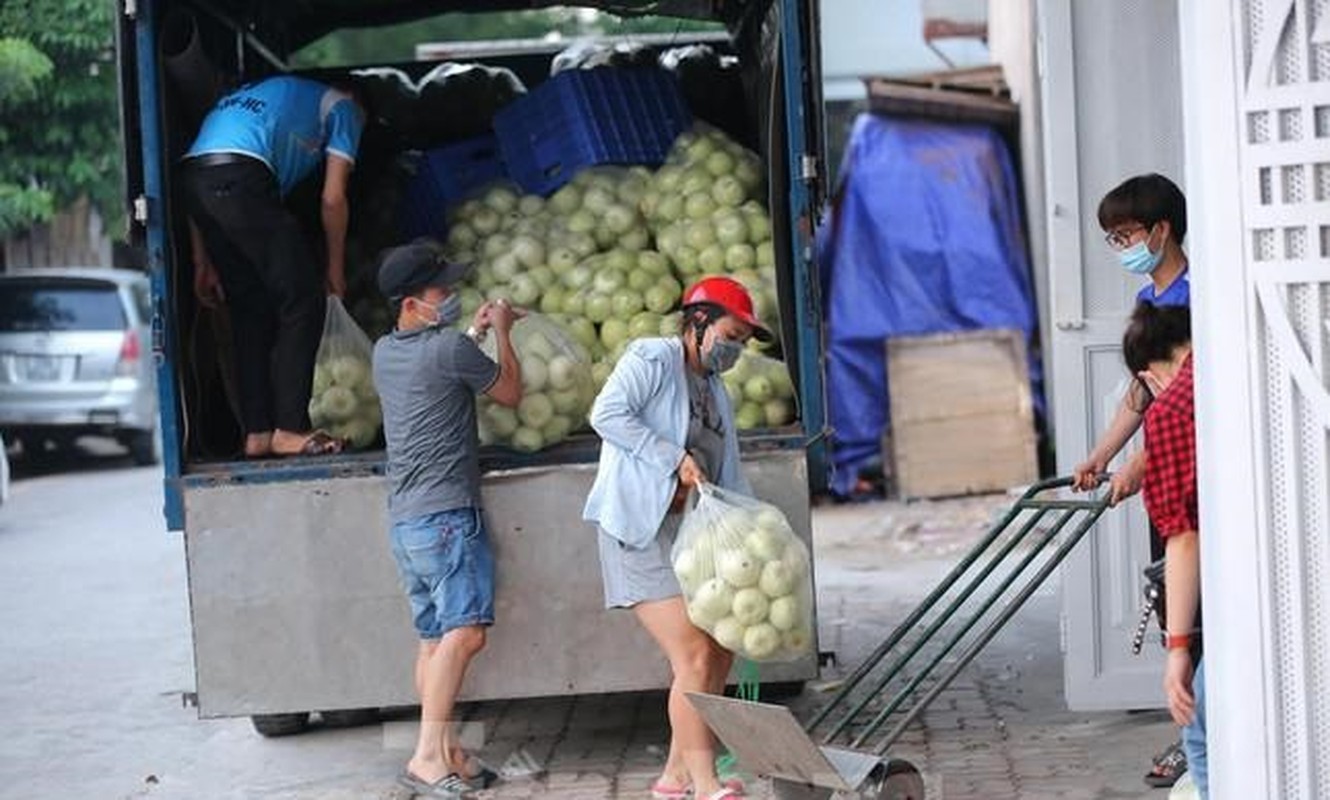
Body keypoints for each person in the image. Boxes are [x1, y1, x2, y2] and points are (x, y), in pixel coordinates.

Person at [583, 276, 772, 800]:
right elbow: (605, 415)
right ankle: (705, 781)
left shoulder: (715, 390)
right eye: (731, 335)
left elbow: (728, 470)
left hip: (688, 535)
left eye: (742, 341)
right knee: (690, 653)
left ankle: (675, 776)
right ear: (699, 322)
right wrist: (672, 457)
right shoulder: (653, 359)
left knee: (717, 650)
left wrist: (754, 530)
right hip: (638, 531)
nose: (735, 349)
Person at [371, 242, 523, 799]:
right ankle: (428, 757)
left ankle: (449, 749)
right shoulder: (447, 349)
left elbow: (441, 368)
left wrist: (474, 335)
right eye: (441, 291)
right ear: (413, 302)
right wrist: (502, 331)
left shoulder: (385, 351)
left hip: (407, 523)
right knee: (467, 634)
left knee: (434, 639)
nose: (452, 296)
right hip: (446, 519)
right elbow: (508, 392)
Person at [1070, 174, 1191, 788]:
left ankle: (1194, 736)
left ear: (1161, 229)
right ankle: (1193, 732)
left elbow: (1182, 407)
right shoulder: (1152, 297)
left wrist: (1136, 470)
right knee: (1174, 599)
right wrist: (1100, 455)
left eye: (1126, 235)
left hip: (1183, 473)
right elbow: (1141, 393)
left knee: (1191, 613)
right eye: (1112, 239)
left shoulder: (1195, 297)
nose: (1119, 248)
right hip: (1161, 468)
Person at [181, 74, 366, 458]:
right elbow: (333, 199)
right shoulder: (344, 107)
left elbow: (208, 171)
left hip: (196, 182)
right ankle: (290, 428)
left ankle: (258, 433)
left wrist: (203, 259)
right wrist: (334, 269)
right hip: (241, 179)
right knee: (304, 301)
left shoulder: (272, 97)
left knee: (252, 310)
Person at [1122, 303, 1206, 799]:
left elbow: (1184, 536)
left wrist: (1177, 649)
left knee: (1202, 734)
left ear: (1148, 376)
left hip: (1242, 596)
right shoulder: (1236, 366)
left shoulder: (1172, 410)